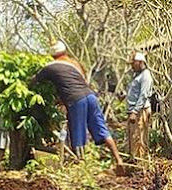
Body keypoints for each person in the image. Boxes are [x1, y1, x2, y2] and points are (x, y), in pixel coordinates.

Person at [31, 40, 125, 173]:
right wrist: (63, 98)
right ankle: (119, 161)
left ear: (52, 55)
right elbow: (78, 83)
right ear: (65, 52)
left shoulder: (50, 66)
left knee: (77, 133)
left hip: (76, 100)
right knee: (102, 129)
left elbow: (34, 81)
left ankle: (81, 169)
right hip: (91, 96)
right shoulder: (75, 65)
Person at [124, 52, 153, 159]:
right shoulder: (138, 76)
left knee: (139, 138)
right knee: (134, 137)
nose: (132, 66)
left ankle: (141, 163)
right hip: (134, 110)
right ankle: (134, 159)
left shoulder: (146, 76)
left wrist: (135, 112)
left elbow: (143, 95)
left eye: (133, 63)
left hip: (140, 111)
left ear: (140, 62)